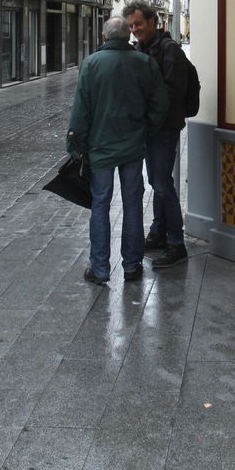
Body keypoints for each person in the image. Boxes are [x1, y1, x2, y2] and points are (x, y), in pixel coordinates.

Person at [67, 16, 166, 285]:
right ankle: (132, 265)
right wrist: (147, 130)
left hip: (100, 148)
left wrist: (75, 145)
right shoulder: (144, 63)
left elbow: (81, 110)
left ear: (105, 37)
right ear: (127, 36)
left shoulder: (91, 64)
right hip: (133, 146)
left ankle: (99, 269)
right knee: (133, 203)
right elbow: (160, 104)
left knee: (100, 204)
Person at [122, 0, 191, 269]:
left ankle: (176, 243)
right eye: (131, 26)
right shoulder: (142, 48)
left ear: (154, 21)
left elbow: (171, 93)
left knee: (162, 184)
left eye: (139, 23)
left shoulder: (169, 50)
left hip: (164, 128)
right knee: (157, 182)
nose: (135, 29)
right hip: (151, 128)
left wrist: (150, 115)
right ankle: (159, 232)